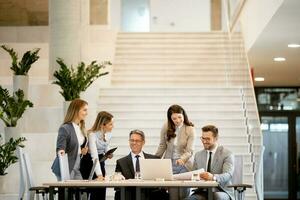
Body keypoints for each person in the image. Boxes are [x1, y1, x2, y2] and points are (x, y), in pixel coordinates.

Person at [155, 104, 195, 200]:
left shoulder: (190, 129)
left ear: (183, 116)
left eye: (179, 117)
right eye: (174, 118)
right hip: (170, 165)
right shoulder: (166, 126)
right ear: (170, 119)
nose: (177, 120)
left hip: (184, 165)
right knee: (173, 196)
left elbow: (190, 150)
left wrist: (182, 159)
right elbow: (162, 146)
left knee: (183, 196)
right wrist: (154, 159)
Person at [114, 129, 168, 200]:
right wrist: (118, 178)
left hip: (150, 194)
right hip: (130, 194)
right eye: (132, 140)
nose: (134, 143)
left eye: (137, 141)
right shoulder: (121, 162)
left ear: (143, 142)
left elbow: (161, 179)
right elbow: (117, 186)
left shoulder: (153, 159)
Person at [185, 125, 234, 200]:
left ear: (216, 138)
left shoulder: (227, 154)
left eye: (207, 139)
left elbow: (228, 174)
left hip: (220, 191)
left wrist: (213, 177)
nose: (204, 141)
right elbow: (194, 174)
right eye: (203, 138)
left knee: (216, 197)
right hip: (202, 192)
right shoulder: (198, 155)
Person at [51, 98, 89, 180]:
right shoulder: (65, 128)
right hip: (67, 167)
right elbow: (60, 148)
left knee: (82, 191)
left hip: (77, 167)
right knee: (68, 192)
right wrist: (61, 151)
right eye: (84, 110)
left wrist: (82, 151)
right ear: (76, 110)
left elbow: (76, 147)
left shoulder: (80, 127)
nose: (87, 113)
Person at [87, 111, 114, 199]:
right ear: (103, 125)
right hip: (91, 164)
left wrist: (109, 153)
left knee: (102, 192)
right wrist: (99, 174)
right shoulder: (92, 135)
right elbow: (94, 157)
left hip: (101, 162)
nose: (112, 126)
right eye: (110, 124)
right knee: (95, 193)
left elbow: (106, 147)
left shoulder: (107, 135)